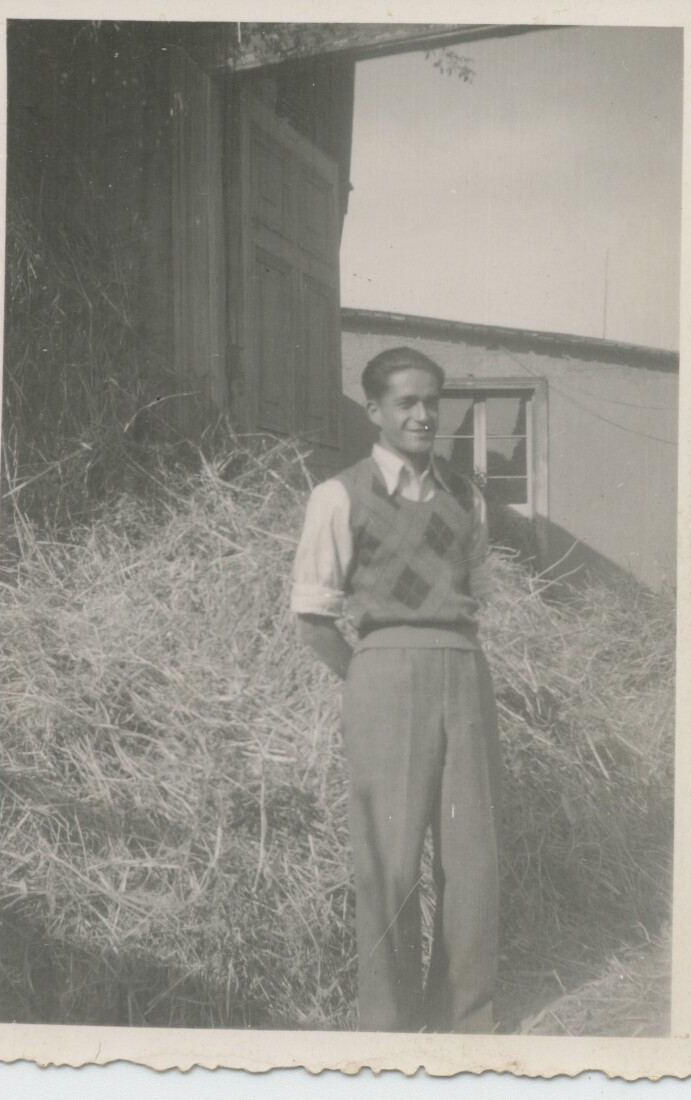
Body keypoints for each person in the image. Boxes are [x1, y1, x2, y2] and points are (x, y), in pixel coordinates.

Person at [291, 346, 501, 1033]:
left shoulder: (467, 496)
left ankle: (465, 1018)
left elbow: (476, 590)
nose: (422, 415)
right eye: (406, 402)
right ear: (374, 410)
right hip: (383, 676)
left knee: (473, 858)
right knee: (390, 858)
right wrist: (369, 674)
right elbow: (313, 618)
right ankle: (388, 1024)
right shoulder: (338, 496)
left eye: (431, 402)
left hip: (463, 670)